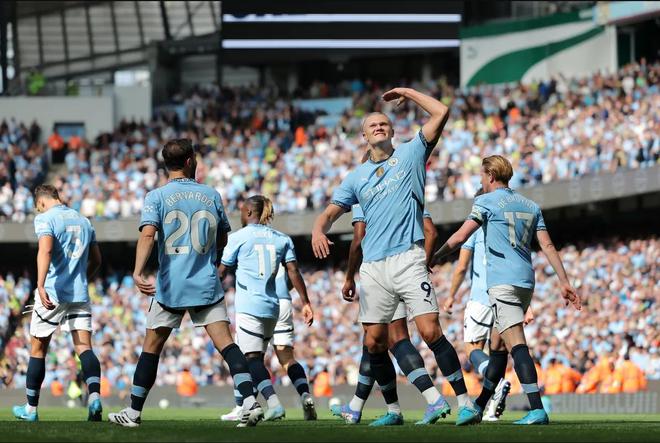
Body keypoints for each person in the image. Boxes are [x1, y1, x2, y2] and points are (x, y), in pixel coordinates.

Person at [312, 87, 477, 426]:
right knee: (374, 342)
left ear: (392, 130)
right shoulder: (355, 178)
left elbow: (441, 112)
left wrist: (406, 92)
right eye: (373, 124)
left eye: (384, 123)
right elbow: (329, 214)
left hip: (407, 258)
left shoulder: (411, 153)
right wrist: (318, 230)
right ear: (363, 136)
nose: (379, 126)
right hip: (373, 268)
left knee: (430, 331)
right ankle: (397, 410)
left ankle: (466, 402)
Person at [108, 139, 263, 428]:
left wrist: (138, 271)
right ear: (191, 161)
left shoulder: (156, 196)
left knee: (151, 348)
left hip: (170, 286)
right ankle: (250, 401)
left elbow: (147, 235)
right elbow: (222, 237)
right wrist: (213, 260)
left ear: (167, 164)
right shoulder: (211, 194)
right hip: (205, 283)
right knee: (227, 345)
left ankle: (133, 412)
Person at [431, 155, 581, 425]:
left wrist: (434, 257)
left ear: (489, 175)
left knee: (516, 344)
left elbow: (460, 237)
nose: (479, 179)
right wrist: (564, 280)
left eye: (480, 175)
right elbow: (547, 246)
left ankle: (537, 409)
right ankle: (478, 407)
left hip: (502, 284)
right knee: (498, 348)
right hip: (525, 282)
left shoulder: (485, 201)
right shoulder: (531, 205)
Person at [333, 199, 451, 426]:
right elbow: (429, 230)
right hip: (404, 266)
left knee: (383, 339)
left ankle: (415, 404)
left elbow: (358, 239)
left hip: (378, 271)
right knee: (376, 341)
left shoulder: (365, 190)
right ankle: (358, 406)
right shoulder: (403, 189)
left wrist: (349, 276)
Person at [218, 195, 315, 421]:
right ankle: (249, 405)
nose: (240, 214)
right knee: (264, 358)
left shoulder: (239, 237)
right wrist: (306, 302)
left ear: (250, 213)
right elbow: (293, 271)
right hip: (274, 305)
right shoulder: (282, 239)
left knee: (249, 359)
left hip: (250, 306)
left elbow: (222, 270)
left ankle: (272, 403)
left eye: (242, 210)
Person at [13, 184, 103, 422]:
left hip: (53, 293)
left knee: (38, 348)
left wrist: (40, 285)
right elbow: (97, 260)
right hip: (79, 294)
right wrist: (84, 279)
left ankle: (31, 409)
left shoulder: (45, 218)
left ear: (41, 202)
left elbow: (46, 251)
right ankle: (94, 398)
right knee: (84, 348)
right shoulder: (84, 221)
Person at [444, 187, 532, 421]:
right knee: (498, 352)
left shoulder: (474, 227)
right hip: (507, 294)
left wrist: (451, 295)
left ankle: (497, 384)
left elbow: (462, 266)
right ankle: (490, 408)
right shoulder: (504, 227)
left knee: (472, 349)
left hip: (481, 297)